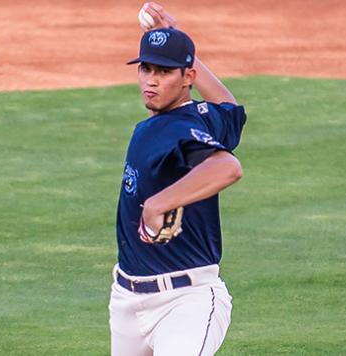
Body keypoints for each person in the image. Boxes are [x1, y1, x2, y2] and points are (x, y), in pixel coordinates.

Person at [109, 3, 247, 355]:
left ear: (187, 79)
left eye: (165, 72)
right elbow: (229, 109)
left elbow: (227, 166)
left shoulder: (180, 131)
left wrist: (159, 204)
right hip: (126, 300)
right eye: (146, 68)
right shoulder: (200, 115)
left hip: (186, 302)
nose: (151, 80)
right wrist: (182, 45)